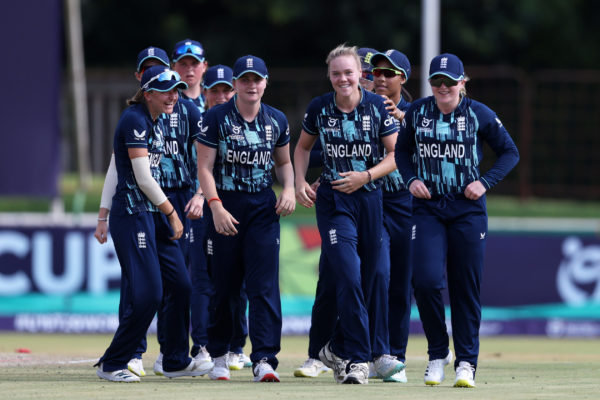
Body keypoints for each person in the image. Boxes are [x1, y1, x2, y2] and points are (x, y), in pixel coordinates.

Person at [394, 53, 519, 388]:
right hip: (428, 207)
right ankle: (438, 353)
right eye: (437, 81)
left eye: (450, 81)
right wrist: (410, 180)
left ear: (463, 83)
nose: (443, 87)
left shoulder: (479, 113)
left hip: (467, 209)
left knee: (466, 287)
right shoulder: (417, 112)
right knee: (425, 281)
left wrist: (485, 181)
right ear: (430, 84)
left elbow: (510, 152)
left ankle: (467, 362)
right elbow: (402, 153)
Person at [294, 44, 403, 385]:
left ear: (360, 75)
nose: (343, 78)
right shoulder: (319, 108)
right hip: (334, 201)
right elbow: (302, 147)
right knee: (349, 273)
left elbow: (396, 154)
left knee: (371, 276)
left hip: (370, 198)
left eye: (349, 72)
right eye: (336, 73)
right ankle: (357, 359)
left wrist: (366, 176)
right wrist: (298, 182)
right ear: (330, 77)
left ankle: (336, 348)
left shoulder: (376, 108)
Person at [94, 66, 208, 382]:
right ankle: (114, 362)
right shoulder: (135, 119)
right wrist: (172, 212)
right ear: (148, 93)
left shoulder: (154, 121)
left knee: (181, 285)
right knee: (148, 294)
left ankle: (173, 360)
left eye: (176, 90)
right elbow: (140, 178)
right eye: (166, 90)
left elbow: (117, 169)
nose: (174, 96)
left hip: (150, 215)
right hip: (132, 216)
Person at [195, 55, 295, 382]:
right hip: (226, 204)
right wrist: (215, 205)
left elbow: (282, 163)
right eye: (245, 80)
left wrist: (290, 189)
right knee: (224, 286)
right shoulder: (216, 117)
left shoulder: (276, 119)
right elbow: (205, 168)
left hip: (262, 208)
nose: (251, 85)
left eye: (257, 79)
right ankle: (221, 354)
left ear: (266, 83)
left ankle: (264, 358)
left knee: (263, 286)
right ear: (236, 83)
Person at [185, 64, 252, 372]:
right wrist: (199, 197)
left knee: (236, 282)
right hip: (202, 211)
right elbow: (203, 167)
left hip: (233, 209)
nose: (223, 96)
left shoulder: (245, 122)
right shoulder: (199, 120)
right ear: (206, 93)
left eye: (227, 89)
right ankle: (202, 345)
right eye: (216, 91)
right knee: (201, 279)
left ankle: (237, 345)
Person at [368, 49, 414, 383]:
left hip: (409, 205)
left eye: (389, 73)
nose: (381, 78)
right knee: (379, 275)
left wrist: (401, 118)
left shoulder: (420, 112)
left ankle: (397, 355)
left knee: (402, 284)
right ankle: (378, 352)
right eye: (377, 73)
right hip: (374, 201)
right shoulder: (363, 109)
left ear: (403, 78)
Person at [171, 39, 208, 112]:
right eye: (183, 64)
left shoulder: (213, 96)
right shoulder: (167, 99)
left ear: (204, 66)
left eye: (194, 63)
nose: (189, 68)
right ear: (173, 66)